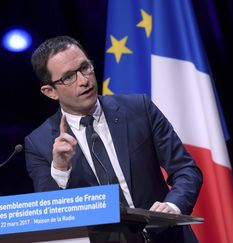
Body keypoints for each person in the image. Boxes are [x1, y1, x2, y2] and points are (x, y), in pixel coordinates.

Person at [24, 35, 203, 242]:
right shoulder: (39, 144)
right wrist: (60, 170)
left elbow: (186, 170)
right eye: (69, 77)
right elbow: (50, 217)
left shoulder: (139, 109)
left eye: (85, 67)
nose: (84, 81)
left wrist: (172, 208)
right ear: (50, 91)